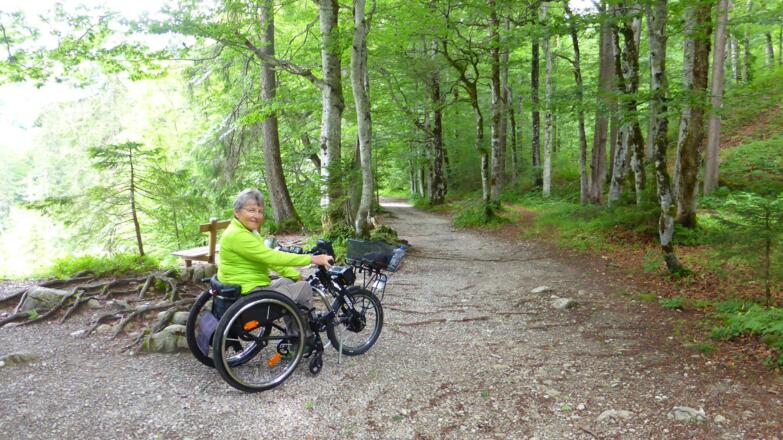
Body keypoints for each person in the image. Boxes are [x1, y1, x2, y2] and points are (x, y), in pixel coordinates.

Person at [217, 188, 332, 343]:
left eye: (260, 211)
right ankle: (305, 339)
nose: (257, 216)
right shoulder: (237, 236)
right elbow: (272, 256)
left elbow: (267, 259)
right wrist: (312, 259)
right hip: (249, 293)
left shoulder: (247, 231)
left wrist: (293, 274)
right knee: (304, 288)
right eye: (251, 210)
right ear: (237, 212)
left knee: (289, 281)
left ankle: (295, 330)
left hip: (247, 287)